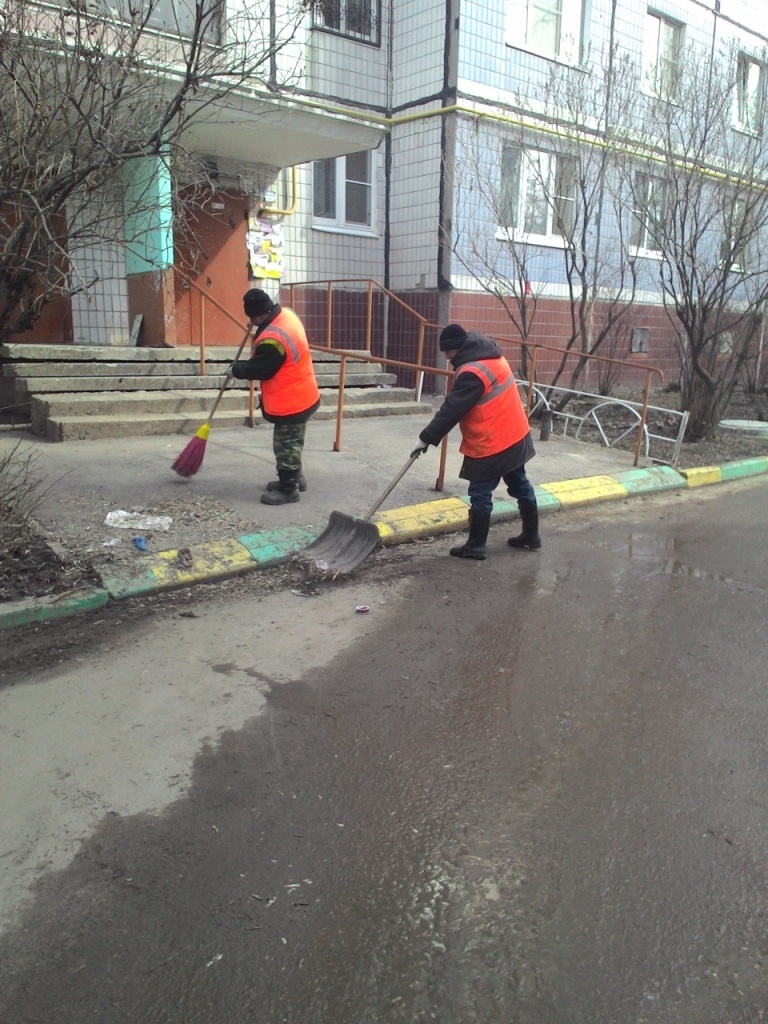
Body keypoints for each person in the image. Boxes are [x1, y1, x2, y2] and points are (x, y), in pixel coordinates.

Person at [410, 323, 540, 560]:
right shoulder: (490, 355)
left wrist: (426, 438)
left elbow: (452, 409)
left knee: (480, 493)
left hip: (493, 441)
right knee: (520, 484)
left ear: (458, 348)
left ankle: (476, 546)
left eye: (448, 352)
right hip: (515, 433)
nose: (447, 357)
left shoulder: (472, 371)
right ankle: (531, 536)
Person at [229, 289, 320, 505]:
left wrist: (237, 370)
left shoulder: (273, 338)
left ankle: (289, 489)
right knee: (294, 443)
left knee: (285, 446)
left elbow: (262, 368)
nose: (250, 323)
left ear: (259, 314)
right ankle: (297, 478)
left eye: (251, 318)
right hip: (304, 392)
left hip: (291, 401)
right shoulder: (287, 315)